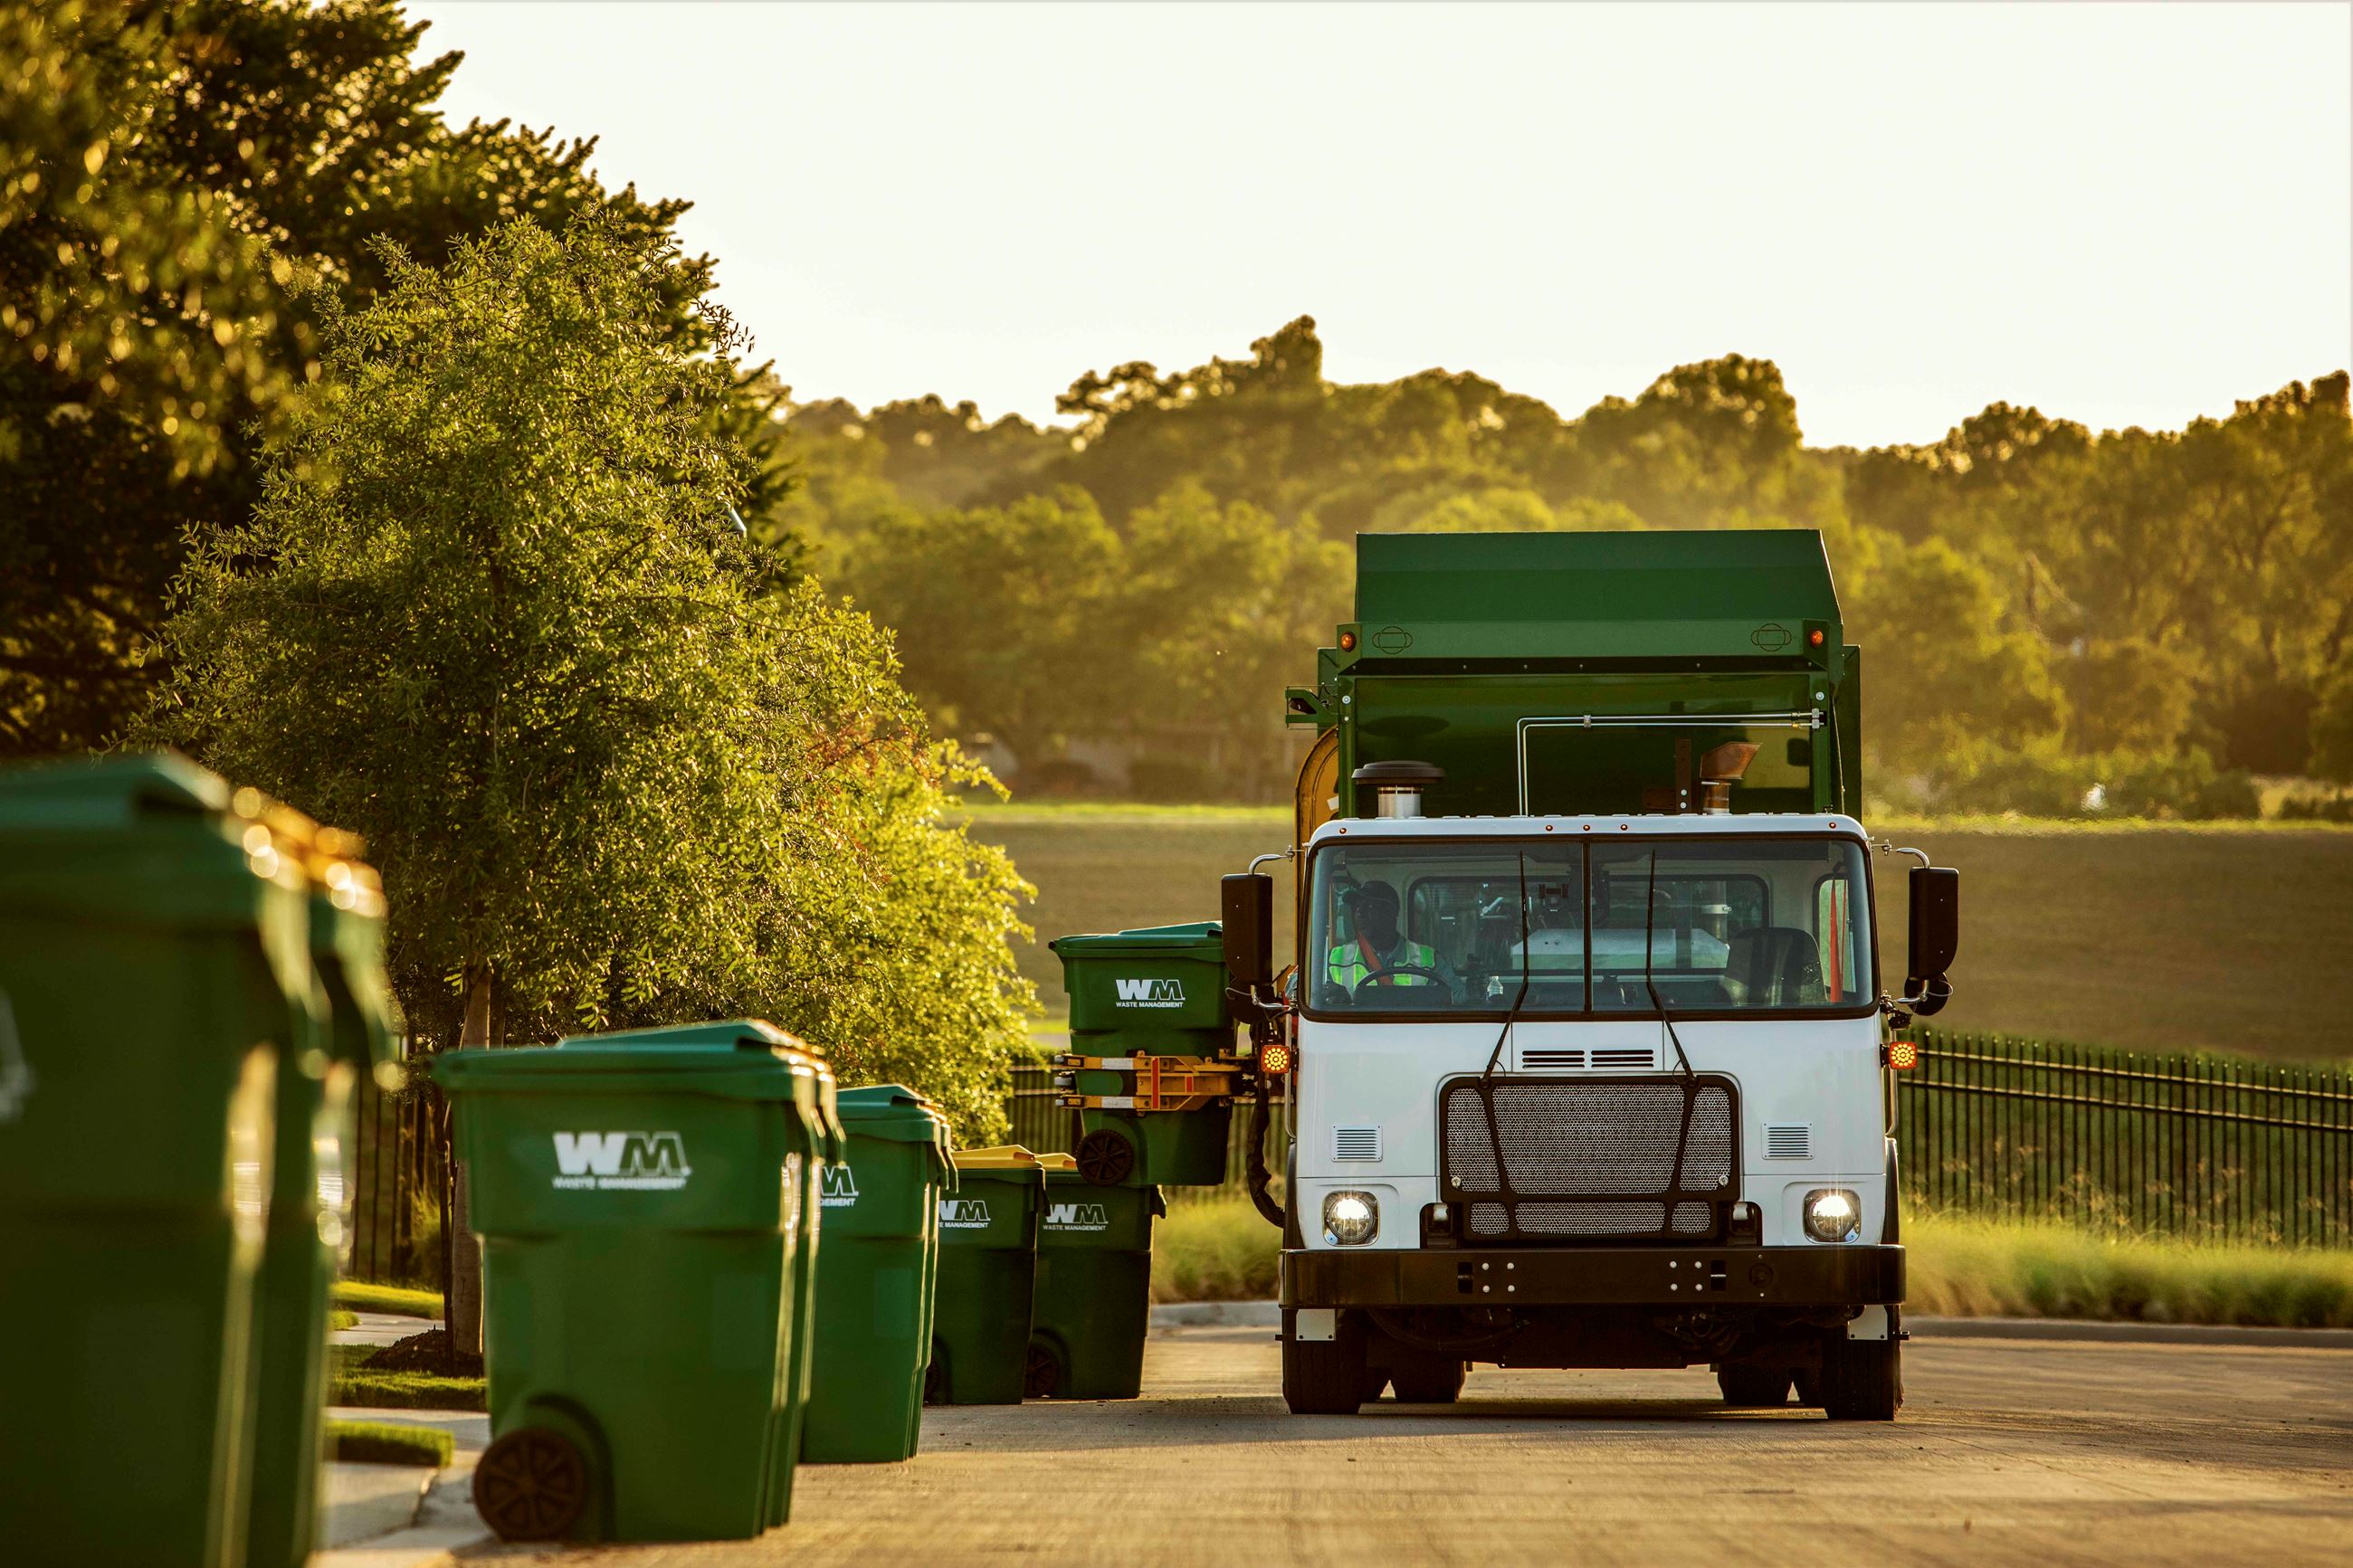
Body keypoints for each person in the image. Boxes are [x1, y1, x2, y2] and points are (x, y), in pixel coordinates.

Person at [1327, 880, 1454, 998]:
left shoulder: (1430, 960)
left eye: (1370, 907)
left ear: (1391, 913)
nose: (1360, 914)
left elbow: (1457, 1001)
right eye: (1357, 908)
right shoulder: (1334, 959)